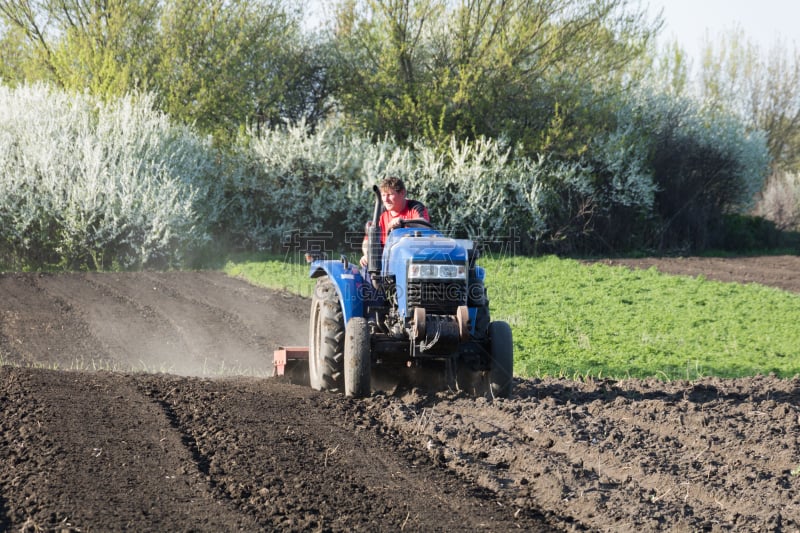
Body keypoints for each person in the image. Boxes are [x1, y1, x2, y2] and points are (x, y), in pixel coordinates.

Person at [360, 176, 430, 267]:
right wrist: (366, 255)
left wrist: (404, 221)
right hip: (385, 260)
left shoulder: (415, 207)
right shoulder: (381, 212)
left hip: (409, 258)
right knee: (368, 270)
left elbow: (424, 224)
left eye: (390, 194)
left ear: (402, 193)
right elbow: (367, 240)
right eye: (383, 195)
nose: (385, 199)